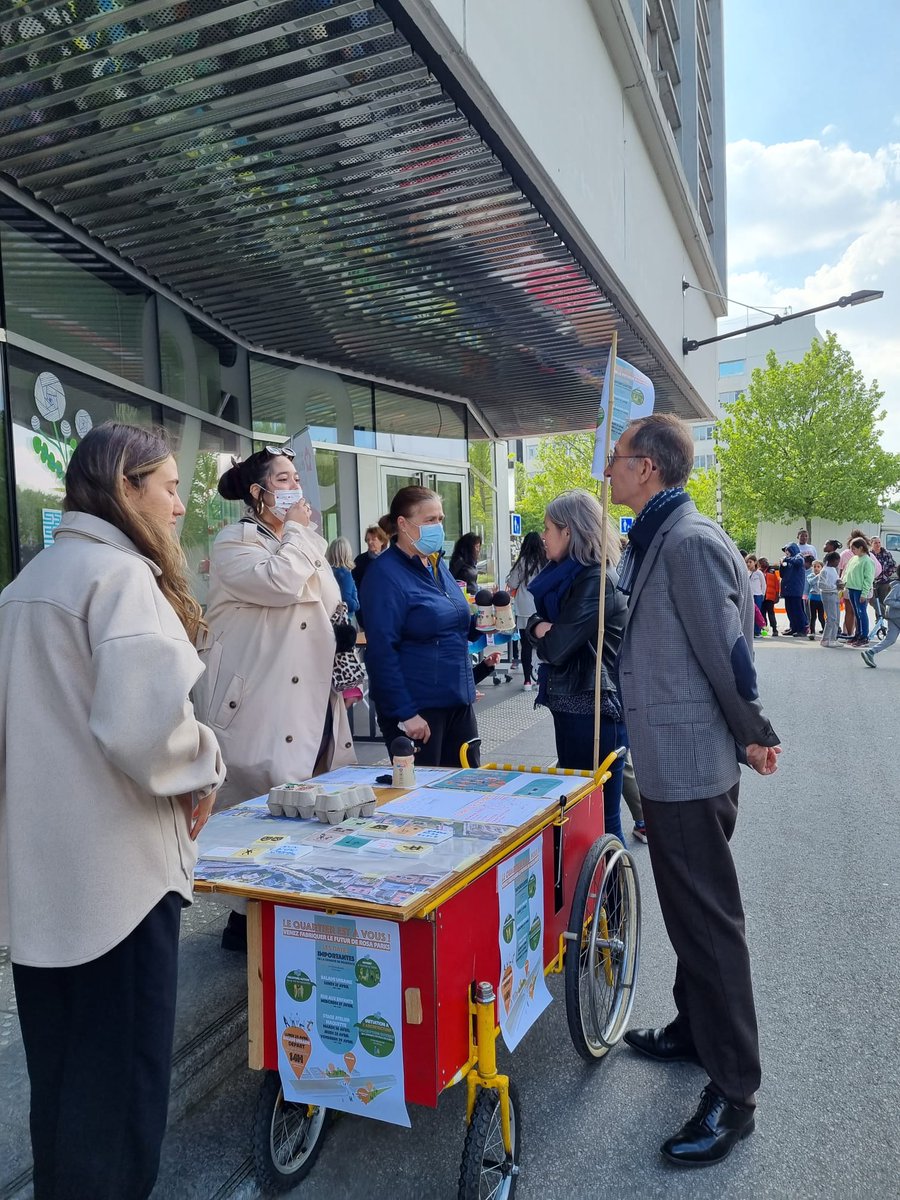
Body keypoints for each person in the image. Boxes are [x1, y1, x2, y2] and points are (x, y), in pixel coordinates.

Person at [0, 423, 225, 1200]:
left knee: (62, 1085)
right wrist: (207, 764)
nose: (178, 506)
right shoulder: (122, 578)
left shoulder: (25, 585)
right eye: (167, 487)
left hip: (42, 885)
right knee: (121, 1098)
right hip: (121, 884)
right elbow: (148, 731)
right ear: (124, 489)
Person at [605, 413, 781, 1167]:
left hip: (689, 765)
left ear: (646, 466)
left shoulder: (688, 541)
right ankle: (693, 1028)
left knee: (709, 924)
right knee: (689, 910)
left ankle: (735, 1092)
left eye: (616, 457)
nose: (607, 468)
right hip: (672, 759)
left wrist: (756, 731)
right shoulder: (658, 534)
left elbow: (729, 654)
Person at [202, 447, 356, 949]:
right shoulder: (234, 542)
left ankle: (291, 911)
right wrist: (298, 532)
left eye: (296, 479)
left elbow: (330, 600)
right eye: (283, 479)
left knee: (308, 799)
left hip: (311, 693)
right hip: (261, 700)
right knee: (262, 805)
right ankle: (247, 919)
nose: (296, 489)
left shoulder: (300, 540)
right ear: (258, 492)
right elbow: (280, 582)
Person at [525, 492, 628, 843]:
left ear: (568, 531)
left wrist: (539, 628)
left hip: (594, 711)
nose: (543, 536)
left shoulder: (594, 579)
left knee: (599, 818)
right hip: (576, 706)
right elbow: (547, 632)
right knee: (585, 814)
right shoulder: (569, 577)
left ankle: (611, 881)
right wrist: (539, 626)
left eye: (548, 528)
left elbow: (556, 648)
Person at [362, 486, 481, 767]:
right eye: (429, 520)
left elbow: (453, 624)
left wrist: (484, 624)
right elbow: (381, 652)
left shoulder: (436, 565)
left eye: (440, 519)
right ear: (403, 524)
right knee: (425, 790)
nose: (437, 527)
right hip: (419, 710)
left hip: (457, 702)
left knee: (467, 786)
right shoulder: (385, 575)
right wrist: (405, 713)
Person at [506, 530, 547, 691]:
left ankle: (527, 681)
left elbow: (512, 583)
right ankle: (540, 679)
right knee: (541, 644)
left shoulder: (522, 561)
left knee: (526, 645)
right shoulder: (545, 561)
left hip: (524, 608)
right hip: (541, 608)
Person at [352, 523, 389, 629]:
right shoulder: (360, 561)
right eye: (368, 540)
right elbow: (355, 587)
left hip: (388, 612)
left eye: (373, 539)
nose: (370, 542)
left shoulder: (391, 560)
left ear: (382, 541)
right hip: (367, 612)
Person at [842, 536, 875, 647]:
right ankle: (857, 634)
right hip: (851, 588)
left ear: (861, 548)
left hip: (860, 590)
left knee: (861, 613)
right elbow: (847, 572)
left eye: (854, 548)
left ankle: (864, 636)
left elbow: (868, 579)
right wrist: (843, 583)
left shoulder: (867, 561)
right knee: (856, 613)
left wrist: (864, 593)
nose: (852, 551)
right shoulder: (854, 559)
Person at [862, 573, 900, 666]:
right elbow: (887, 600)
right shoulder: (897, 587)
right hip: (896, 616)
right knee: (890, 639)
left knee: (890, 639)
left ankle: (870, 652)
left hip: (894, 616)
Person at [326, 536, 360, 617]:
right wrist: (356, 605)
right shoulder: (345, 574)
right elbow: (346, 600)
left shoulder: (328, 571)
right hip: (342, 617)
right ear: (347, 553)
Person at [779, 543, 809, 635]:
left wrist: (786, 559)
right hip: (787, 589)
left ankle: (802, 628)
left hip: (796, 589)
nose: (786, 553)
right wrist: (782, 565)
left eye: (787, 550)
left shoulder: (798, 556)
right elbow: (782, 574)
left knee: (797, 609)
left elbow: (799, 562)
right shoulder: (788, 561)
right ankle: (793, 627)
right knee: (789, 610)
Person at [818, 552, 842, 647]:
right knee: (831, 618)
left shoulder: (833, 570)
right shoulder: (824, 571)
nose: (838, 563)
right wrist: (834, 586)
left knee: (836, 618)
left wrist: (839, 582)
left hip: (835, 594)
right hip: (828, 594)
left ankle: (833, 638)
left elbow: (835, 580)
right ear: (832, 561)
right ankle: (825, 639)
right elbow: (821, 585)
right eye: (837, 561)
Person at [758, 558, 780, 635]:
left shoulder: (772, 571)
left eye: (765, 561)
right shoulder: (758, 572)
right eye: (762, 562)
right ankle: (764, 629)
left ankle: (774, 629)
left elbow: (777, 583)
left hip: (770, 596)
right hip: (762, 596)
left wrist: (777, 595)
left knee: (771, 613)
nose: (765, 563)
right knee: (762, 613)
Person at [746, 555, 765, 637]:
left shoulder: (759, 573)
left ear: (755, 562)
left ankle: (757, 631)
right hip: (749, 596)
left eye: (750, 562)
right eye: (747, 562)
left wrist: (763, 594)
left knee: (757, 614)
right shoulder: (747, 573)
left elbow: (763, 584)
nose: (748, 564)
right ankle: (750, 631)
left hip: (758, 595)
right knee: (750, 614)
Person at [807, 560, 825, 639]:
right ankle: (812, 632)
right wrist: (818, 576)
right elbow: (811, 582)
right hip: (813, 598)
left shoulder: (823, 576)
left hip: (821, 598)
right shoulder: (811, 576)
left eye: (818, 567)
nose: (816, 568)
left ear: (821, 568)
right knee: (813, 616)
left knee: (821, 616)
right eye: (814, 567)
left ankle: (825, 631)